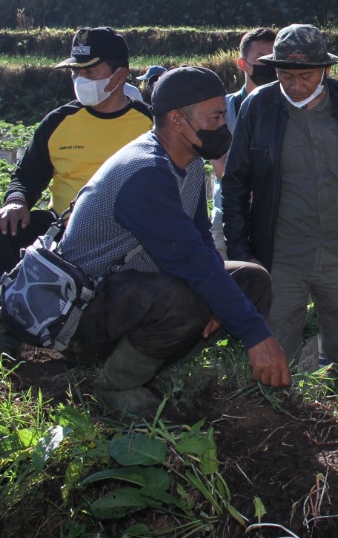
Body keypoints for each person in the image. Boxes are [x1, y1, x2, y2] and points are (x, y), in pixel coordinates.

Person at [49, 66, 289, 417]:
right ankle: (117, 384)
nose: (223, 127)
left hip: (128, 296)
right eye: (216, 117)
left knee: (250, 280)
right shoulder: (145, 173)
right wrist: (256, 335)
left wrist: (223, 305)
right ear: (177, 120)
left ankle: (151, 368)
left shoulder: (187, 161)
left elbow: (201, 240)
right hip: (81, 315)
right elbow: (192, 262)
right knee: (187, 292)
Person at [221, 24, 338, 378]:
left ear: (326, 70)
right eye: (287, 75)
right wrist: (243, 253)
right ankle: (278, 426)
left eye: (307, 76)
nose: (297, 85)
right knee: (273, 356)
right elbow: (235, 184)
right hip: (280, 258)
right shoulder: (259, 106)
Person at [0, 26, 152, 361]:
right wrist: (16, 202)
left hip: (123, 235)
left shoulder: (149, 125)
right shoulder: (59, 122)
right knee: (3, 229)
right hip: (62, 231)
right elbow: (25, 177)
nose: (80, 77)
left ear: (120, 74)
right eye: (75, 70)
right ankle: (5, 341)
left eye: (90, 70)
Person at [209, 28, 276, 257]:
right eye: (260, 58)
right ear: (242, 63)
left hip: (277, 224)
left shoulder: (289, 111)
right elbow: (221, 167)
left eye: (273, 57)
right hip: (227, 221)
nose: (268, 64)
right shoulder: (223, 110)